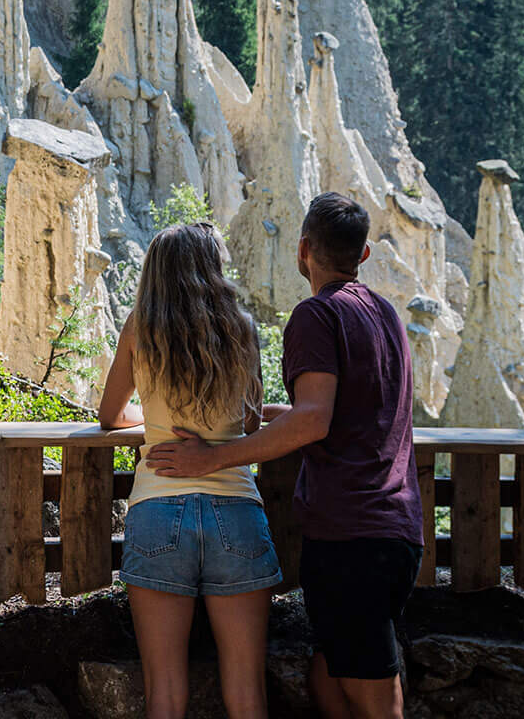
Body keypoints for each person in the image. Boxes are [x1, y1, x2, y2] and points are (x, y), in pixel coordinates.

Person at [142, 193, 422, 719]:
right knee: (330, 674)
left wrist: (213, 457)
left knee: (376, 696)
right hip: (398, 524)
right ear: (362, 256)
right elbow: (347, 407)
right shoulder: (385, 313)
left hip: (350, 532)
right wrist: (274, 413)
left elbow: (314, 418)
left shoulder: (317, 314)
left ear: (302, 250)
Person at [97, 222, 280, 719]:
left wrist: (153, 419)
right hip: (237, 509)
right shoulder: (240, 326)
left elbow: (110, 416)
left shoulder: (140, 327)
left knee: (165, 692)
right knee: (246, 691)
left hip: (159, 506)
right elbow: (249, 420)